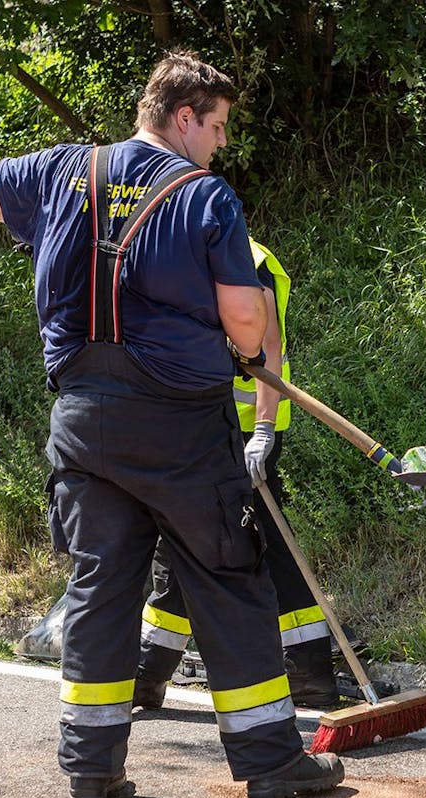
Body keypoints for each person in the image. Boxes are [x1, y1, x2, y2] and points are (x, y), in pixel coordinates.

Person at [0, 50, 343, 798]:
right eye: (218, 126)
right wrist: (238, 344)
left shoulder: (67, 171)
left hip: (83, 423)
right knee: (227, 575)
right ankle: (271, 760)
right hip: (181, 426)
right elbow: (244, 318)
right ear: (183, 117)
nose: (222, 143)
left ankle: (90, 769)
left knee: (101, 585)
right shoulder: (206, 198)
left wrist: (50, 230)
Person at [134, 237, 339, 712]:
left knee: (268, 543)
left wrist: (263, 432)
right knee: (179, 539)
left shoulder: (250, 260)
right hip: (198, 426)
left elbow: (270, 347)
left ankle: (310, 672)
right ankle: (150, 671)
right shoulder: (175, 252)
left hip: (245, 434)